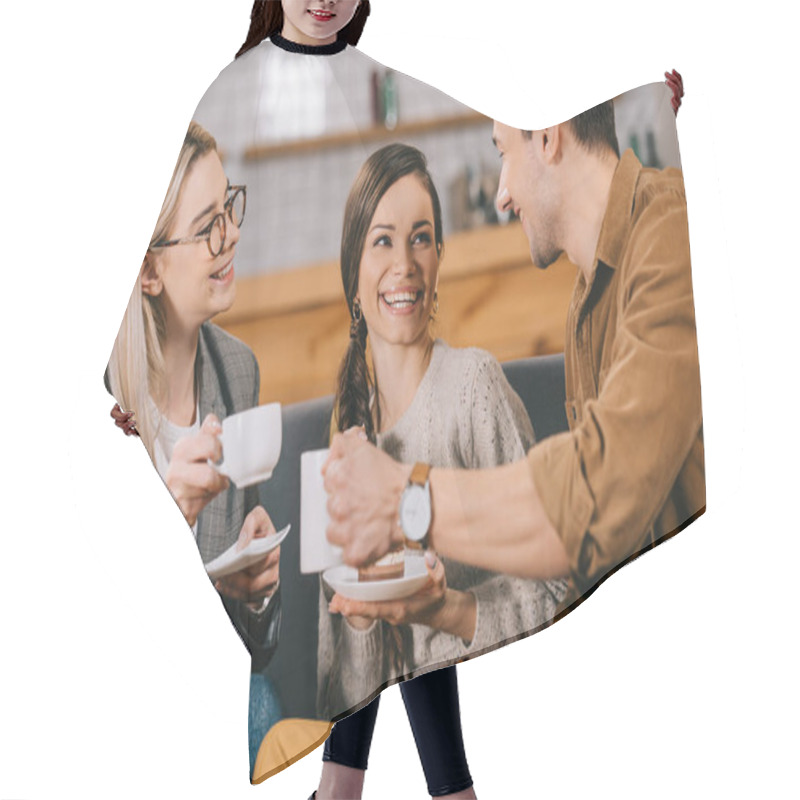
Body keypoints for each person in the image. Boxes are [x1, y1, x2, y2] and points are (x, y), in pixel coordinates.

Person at [322, 91, 704, 618]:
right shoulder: (586, 303)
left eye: (503, 152)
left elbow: (597, 495)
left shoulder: (671, 228)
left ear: (546, 137)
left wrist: (402, 499)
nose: (501, 196)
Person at [310, 143, 566, 800]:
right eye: (383, 242)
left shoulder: (472, 386)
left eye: (421, 238)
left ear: (441, 256)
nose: (404, 264)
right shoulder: (350, 412)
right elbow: (336, 637)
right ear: (354, 273)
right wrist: (363, 618)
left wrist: (449, 607)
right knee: (385, 598)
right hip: (396, 667)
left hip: (505, 664)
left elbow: (555, 587)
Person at [105, 121, 283, 777]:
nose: (231, 234)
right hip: (124, 708)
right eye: (208, 224)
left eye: (228, 207)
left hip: (208, 693)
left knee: (264, 701)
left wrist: (258, 591)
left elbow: (258, 648)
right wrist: (169, 518)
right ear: (148, 269)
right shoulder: (101, 403)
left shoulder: (236, 373)